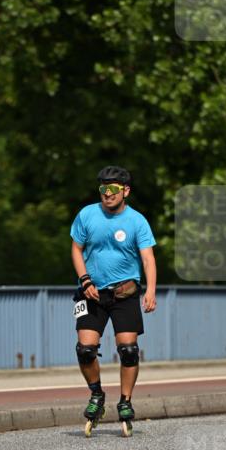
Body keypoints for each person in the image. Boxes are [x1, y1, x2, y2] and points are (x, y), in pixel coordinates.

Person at [70, 166, 157, 435]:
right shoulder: (87, 215)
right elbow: (76, 248)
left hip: (124, 294)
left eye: (113, 190)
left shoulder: (137, 221)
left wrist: (151, 290)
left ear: (125, 191)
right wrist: (85, 279)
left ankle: (126, 402)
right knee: (85, 350)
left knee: (129, 350)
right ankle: (97, 395)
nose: (107, 194)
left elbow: (147, 258)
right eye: (103, 189)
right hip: (91, 293)